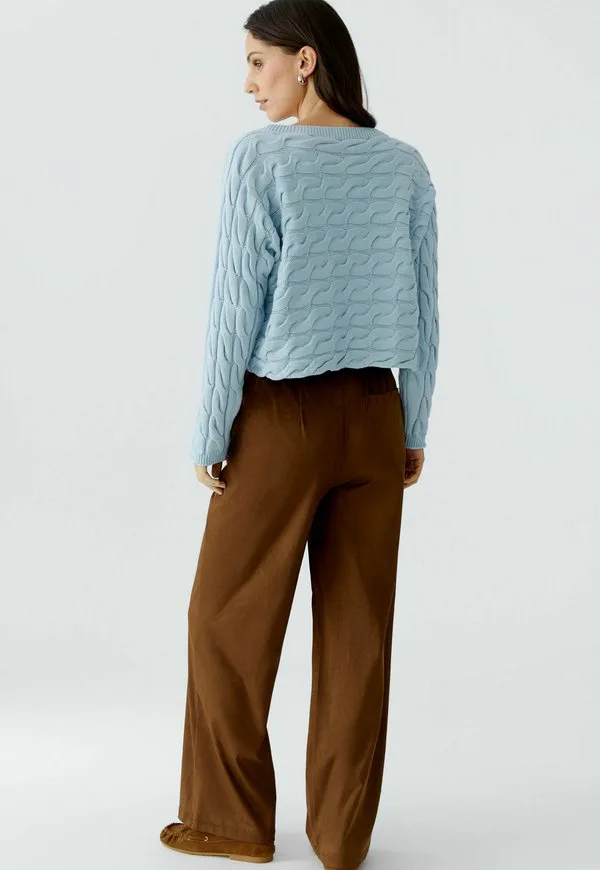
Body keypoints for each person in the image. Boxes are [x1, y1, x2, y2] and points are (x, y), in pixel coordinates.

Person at [160, 1, 439, 867]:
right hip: (377, 416)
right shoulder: (405, 166)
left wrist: (211, 428)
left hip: (282, 418)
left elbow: (233, 307)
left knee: (223, 618)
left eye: (258, 62)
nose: (249, 84)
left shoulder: (262, 158)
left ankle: (231, 823)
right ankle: (343, 839)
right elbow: (427, 310)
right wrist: (414, 421)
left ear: (306, 60)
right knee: (359, 635)